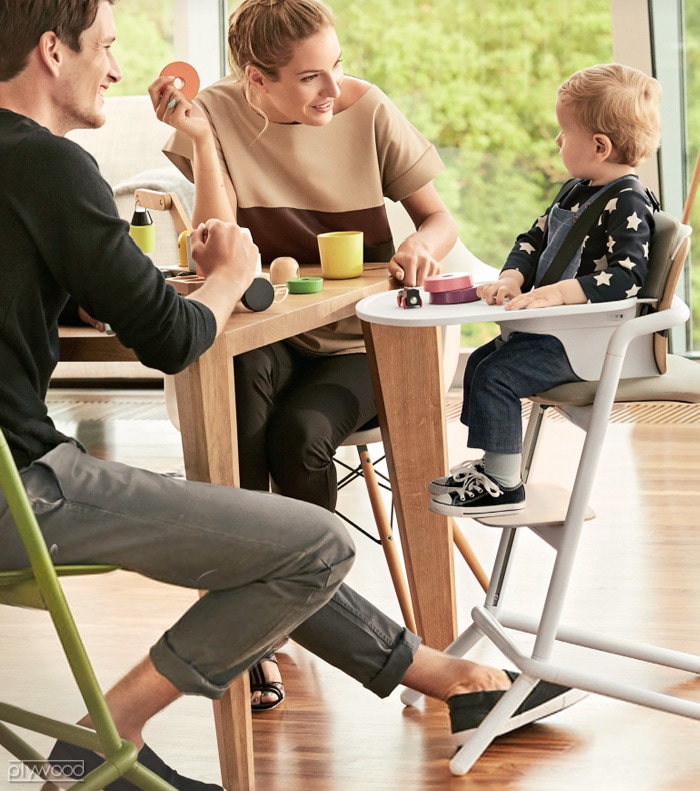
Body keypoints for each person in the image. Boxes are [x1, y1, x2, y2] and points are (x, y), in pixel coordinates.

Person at [0, 2, 584, 787]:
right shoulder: (48, 165)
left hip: (32, 477)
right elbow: (173, 337)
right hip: (26, 489)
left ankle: (455, 679)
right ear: (50, 50)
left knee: (264, 540)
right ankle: (93, 744)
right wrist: (234, 274)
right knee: (316, 543)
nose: (114, 68)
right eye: (105, 47)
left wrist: (88, 289)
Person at [153, 0, 459, 710]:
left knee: (301, 436)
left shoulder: (367, 111)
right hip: (277, 340)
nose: (333, 89)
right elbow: (215, 244)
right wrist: (201, 143)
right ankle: (256, 633)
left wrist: (420, 244)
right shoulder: (219, 113)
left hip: (371, 339)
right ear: (256, 81)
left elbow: (438, 217)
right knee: (239, 388)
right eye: (309, 77)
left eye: (337, 67)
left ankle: (299, 612)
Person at [428, 63, 662, 518]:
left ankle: (503, 482)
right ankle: (494, 464)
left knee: (499, 376)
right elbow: (531, 240)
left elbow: (627, 276)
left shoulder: (627, 201)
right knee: (480, 362)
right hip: (556, 331)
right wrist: (514, 276)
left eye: (563, 132)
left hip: (587, 341)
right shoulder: (575, 190)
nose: (557, 141)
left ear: (599, 146)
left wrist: (555, 294)